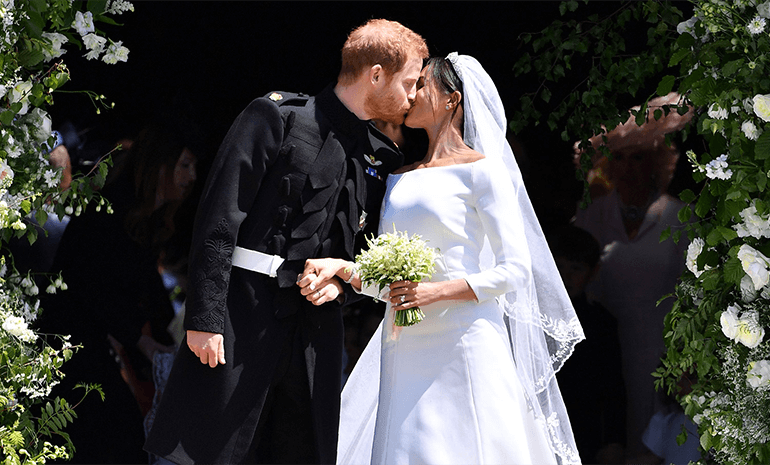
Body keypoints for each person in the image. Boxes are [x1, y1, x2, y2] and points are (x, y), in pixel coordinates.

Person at [143, 19, 428, 465]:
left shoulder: (381, 157)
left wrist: (342, 285)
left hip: (315, 341)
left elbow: (365, 255)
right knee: (208, 453)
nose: (413, 97)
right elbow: (219, 219)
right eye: (409, 83)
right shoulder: (277, 116)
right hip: (240, 319)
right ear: (376, 74)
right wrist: (205, 317)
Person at [299, 54, 585, 465]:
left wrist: (435, 292)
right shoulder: (399, 175)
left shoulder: (482, 172)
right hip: (404, 344)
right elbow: (394, 281)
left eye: (422, 87)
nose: (410, 95)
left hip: (464, 341)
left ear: (452, 100)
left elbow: (515, 270)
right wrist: (344, 269)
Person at [38, 121, 198, 464]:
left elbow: (149, 294)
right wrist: (141, 341)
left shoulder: (146, 222)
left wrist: (171, 343)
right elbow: (90, 286)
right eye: (184, 165)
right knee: (116, 437)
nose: (193, 175)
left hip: (91, 336)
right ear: (160, 164)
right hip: (66, 335)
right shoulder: (111, 210)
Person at [573, 93, 693, 459]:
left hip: (664, 356)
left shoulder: (681, 217)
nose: (627, 167)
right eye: (619, 157)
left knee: (657, 446)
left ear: (657, 162)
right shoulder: (591, 218)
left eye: (637, 157)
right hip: (605, 354)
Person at [549, 224, 626, 464]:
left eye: (576, 268)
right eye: (559, 267)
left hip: (584, 430)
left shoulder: (600, 322)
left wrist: (614, 441)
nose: (566, 276)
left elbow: (614, 387)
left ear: (593, 272)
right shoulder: (530, 319)